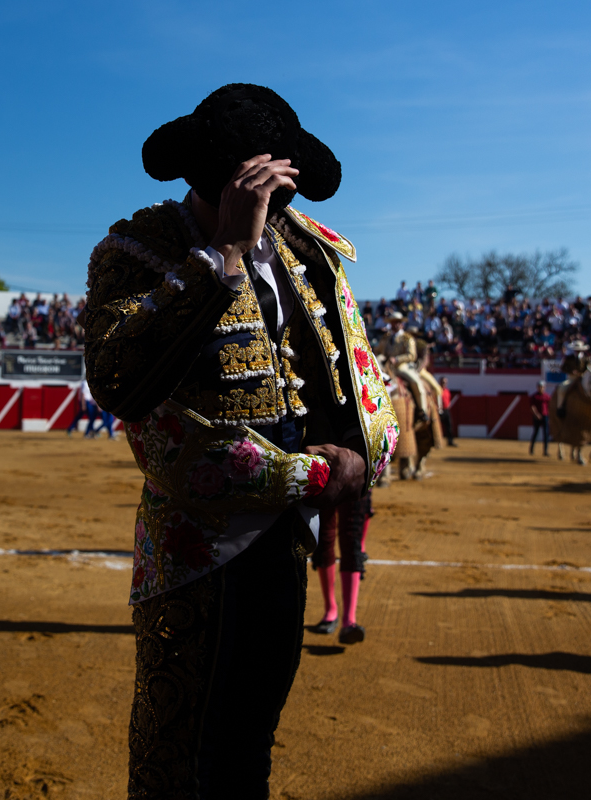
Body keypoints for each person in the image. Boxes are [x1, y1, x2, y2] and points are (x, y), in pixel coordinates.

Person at [81, 84, 397, 799]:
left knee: (248, 743)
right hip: (197, 543)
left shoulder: (305, 249)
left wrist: (352, 453)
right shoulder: (137, 249)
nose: (274, 202)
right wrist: (222, 252)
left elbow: (341, 369)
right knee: (179, 752)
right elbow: (118, 383)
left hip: (286, 534)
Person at [311, 491, 372, 644]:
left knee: (351, 539)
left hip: (355, 474)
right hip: (325, 475)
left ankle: (349, 620)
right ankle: (331, 609)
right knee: (324, 538)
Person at [378, 312, 429, 423]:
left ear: (401, 324)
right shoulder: (386, 337)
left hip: (402, 366)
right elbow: (380, 351)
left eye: (397, 322)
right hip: (387, 366)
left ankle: (422, 410)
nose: (395, 324)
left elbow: (412, 355)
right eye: (393, 322)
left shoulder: (407, 338)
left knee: (415, 381)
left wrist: (396, 359)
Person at [554, 341, 590, 418]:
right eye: (576, 349)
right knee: (562, 388)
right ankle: (560, 407)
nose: (577, 351)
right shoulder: (569, 358)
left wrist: (582, 373)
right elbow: (563, 368)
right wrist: (571, 371)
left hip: (582, 378)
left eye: (579, 349)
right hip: (572, 378)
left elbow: (588, 369)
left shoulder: (586, 358)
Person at [529, 381, 551, 456]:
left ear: (544, 388)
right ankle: (531, 449)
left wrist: (550, 417)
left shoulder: (547, 396)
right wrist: (536, 414)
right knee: (535, 433)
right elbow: (532, 407)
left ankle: (545, 451)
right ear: (537, 387)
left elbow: (550, 407)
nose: (541, 388)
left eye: (542, 387)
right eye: (539, 387)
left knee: (546, 434)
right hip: (537, 417)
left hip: (545, 416)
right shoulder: (535, 396)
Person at [439, 376, 456, 446]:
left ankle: (450, 441)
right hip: (439, 411)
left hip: (446, 410)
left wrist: (448, 405)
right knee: (437, 427)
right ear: (440, 382)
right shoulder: (438, 390)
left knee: (449, 426)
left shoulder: (447, 391)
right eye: (443, 382)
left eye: (445, 382)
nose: (444, 383)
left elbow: (448, 400)